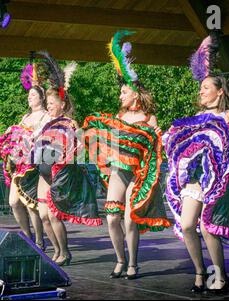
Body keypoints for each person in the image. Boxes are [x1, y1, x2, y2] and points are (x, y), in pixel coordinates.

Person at [163, 33, 229, 294]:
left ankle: (220, 275)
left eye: (205, 87)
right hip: (194, 179)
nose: (201, 91)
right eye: (200, 88)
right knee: (188, 224)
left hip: (216, 179)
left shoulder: (228, 115)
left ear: (219, 90)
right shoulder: (196, 117)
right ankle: (200, 272)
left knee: (207, 225)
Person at [82, 30, 171, 280]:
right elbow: (107, 142)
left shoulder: (148, 118)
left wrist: (156, 136)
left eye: (123, 92)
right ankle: (120, 259)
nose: (120, 95)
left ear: (134, 93)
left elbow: (155, 148)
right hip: (119, 170)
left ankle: (133, 263)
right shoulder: (118, 118)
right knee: (111, 217)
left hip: (139, 174)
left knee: (131, 220)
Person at [33, 52, 102, 266]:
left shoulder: (70, 124)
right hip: (43, 174)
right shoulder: (46, 123)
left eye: (53, 102)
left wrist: (66, 155)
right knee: (43, 216)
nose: (49, 105)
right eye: (48, 102)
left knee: (53, 216)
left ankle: (65, 252)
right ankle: (56, 250)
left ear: (62, 104)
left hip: (59, 174)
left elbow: (78, 150)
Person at [0, 64, 49, 250]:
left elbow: (44, 137)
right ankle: (27, 236)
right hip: (19, 165)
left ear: (42, 97)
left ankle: (39, 240)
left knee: (31, 203)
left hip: (34, 165)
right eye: (29, 95)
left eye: (33, 95)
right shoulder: (25, 117)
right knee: (14, 202)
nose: (30, 98)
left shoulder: (45, 116)